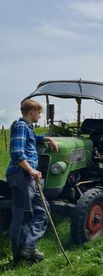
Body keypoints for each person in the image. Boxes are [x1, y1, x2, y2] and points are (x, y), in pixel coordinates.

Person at [6, 99, 58, 263]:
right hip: (21, 175)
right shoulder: (20, 126)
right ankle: (19, 257)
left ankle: (28, 247)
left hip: (28, 177)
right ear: (32, 112)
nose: (40, 115)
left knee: (43, 211)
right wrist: (31, 169)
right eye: (39, 112)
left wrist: (48, 139)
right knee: (23, 215)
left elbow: (33, 138)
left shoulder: (27, 128)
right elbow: (16, 152)